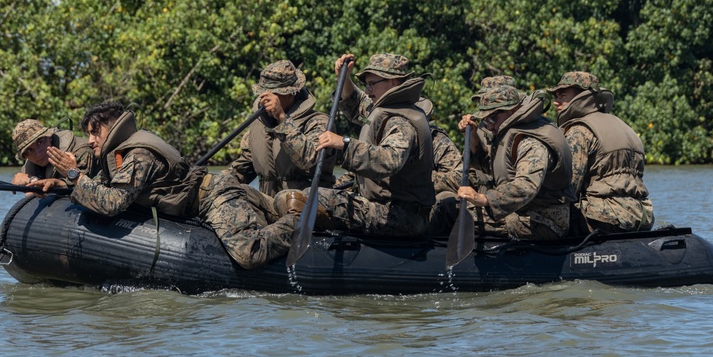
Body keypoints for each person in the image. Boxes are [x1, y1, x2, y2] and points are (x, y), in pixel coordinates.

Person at [31, 101, 296, 269]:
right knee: (269, 211)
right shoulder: (117, 156)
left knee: (249, 254)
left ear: (111, 131)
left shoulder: (138, 155)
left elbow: (112, 203)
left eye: (94, 133)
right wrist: (60, 179)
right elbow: (99, 187)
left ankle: (295, 221)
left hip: (215, 195)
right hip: (203, 198)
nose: (89, 141)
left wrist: (75, 174)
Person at [278, 53, 435, 236]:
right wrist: (344, 78)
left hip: (401, 216)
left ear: (393, 82)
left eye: (372, 84)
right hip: (387, 208)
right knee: (299, 196)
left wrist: (344, 144)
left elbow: (388, 160)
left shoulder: (400, 120)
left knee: (307, 198)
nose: (368, 90)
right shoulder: (385, 108)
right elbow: (356, 102)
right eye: (366, 85)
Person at [456, 84, 574, 240]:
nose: (489, 126)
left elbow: (526, 185)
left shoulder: (531, 141)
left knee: (457, 213)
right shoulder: (511, 134)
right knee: (450, 205)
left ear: (512, 111)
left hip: (543, 221)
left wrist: (485, 199)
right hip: (522, 213)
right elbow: (495, 166)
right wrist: (473, 140)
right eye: (485, 120)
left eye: (492, 118)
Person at [548, 71, 654, 234]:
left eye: (562, 95)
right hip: (642, 216)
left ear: (580, 97)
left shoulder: (579, 131)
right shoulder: (625, 127)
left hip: (603, 218)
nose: (556, 102)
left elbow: (568, 189)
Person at [228, 60, 335, 195]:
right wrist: (213, 182)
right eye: (262, 93)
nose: (265, 100)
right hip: (269, 206)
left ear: (291, 94)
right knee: (229, 193)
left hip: (306, 205)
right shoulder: (259, 124)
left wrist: (282, 119)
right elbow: (243, 169)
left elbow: (308, 160)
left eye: (273, 95)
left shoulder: (318, 122)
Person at [11, 119, 94, 185]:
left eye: (40, 142)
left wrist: (35, 181)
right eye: (29, 150)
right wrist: (30, 182)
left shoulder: (81, 152)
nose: (38, 153)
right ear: (25, 156)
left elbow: (86, 190)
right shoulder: (31, 166)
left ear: (49, 137)